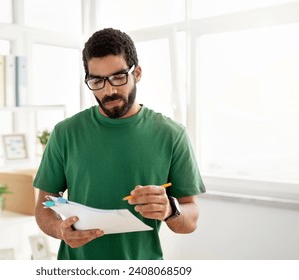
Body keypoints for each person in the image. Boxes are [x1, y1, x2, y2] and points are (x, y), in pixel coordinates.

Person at [33, 27, 206, 260]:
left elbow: (190, 218)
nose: (109, 90)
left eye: (118, 77)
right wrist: (59, 230)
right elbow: (44, 206)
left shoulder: (172, 134)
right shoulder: (65, 132)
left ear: (137, 73)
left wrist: (170, 209)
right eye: (97, 81)